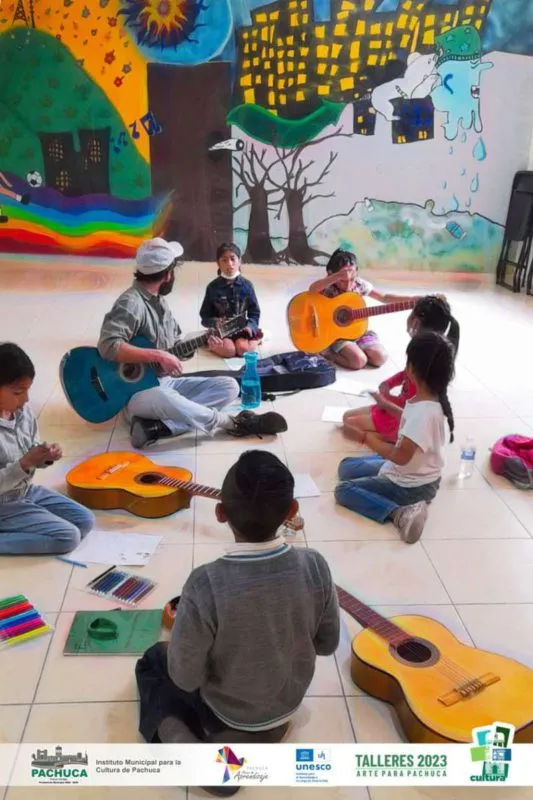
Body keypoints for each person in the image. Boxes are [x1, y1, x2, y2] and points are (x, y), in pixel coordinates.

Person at [136, 451, 340, 777]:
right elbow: (327, 644)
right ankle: (256, 737)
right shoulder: (315, 564)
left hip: (226, 714)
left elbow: (186, 678)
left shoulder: (205, 582)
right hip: (286, 705)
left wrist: (186, 633)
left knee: (154, 661)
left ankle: (187, 748)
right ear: (291, 511)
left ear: (220, 513)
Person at [98, 238, 287, 449]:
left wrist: (200, 342)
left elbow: (176, 346)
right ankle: (232, 423)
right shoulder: (131, 302)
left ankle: (159, 428)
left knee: (229, 386)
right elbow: (108, 345)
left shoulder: (159, 302)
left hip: (162, 381)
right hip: (132, 393)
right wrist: (159, 356)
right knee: (164, 397)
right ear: (168, 274)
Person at [335, 331, 455, 544]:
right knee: (346, 467)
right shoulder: (429, 399)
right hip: (419, 471)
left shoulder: (424, 412)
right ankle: (406, 502)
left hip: (411, 484)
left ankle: (400, 512)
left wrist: (364, 438)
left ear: (412, 368)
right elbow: (409, 422)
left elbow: (400, 457)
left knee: (343, 490)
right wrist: (385, 405)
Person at [0, 343, 94, 555]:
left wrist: (44, 456)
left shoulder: (21, 411)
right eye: (17, 392)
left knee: (85, 520)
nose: (25, 399)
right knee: (68, 537)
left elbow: (30, 449)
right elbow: (22, 463)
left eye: (27, 390)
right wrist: (24, 463)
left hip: (24, 492)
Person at [343, 295, 460, 443]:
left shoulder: (423, 353)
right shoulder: (431, 348)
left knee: (348, 421)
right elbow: (407, 375)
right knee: (347, 416)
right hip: (401, 408)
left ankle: (395, 438)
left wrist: (385, 400)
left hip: (401, 417)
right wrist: (389, 384)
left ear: (416, 322)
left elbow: (409, 408)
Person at [308, 248, 420, 370]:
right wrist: (336, 277)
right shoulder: (328, 286)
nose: (348, 284)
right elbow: (312, 290)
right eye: (342, 280)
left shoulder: (359, 284)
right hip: (337, 335)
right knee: (358, 361)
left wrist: (411, 298)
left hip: (358, 331)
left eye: (352, 279)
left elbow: (384, 297)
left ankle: (358, 348)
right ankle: (329, 354)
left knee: (380, 357)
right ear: (331, 274)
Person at [200, 242, 263, 358]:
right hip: (222, 332)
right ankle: (211, 344)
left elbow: (254, 313)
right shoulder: (212, 287)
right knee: (229, 351)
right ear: (218, 263)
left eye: (233, 259)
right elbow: (204, 316)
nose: (229, 264)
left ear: (239, 261)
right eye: (224, 260)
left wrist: (251, 327)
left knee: (243, 350)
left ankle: (257, 338)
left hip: (241, 330)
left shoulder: (247, 286)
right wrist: (215, 322)